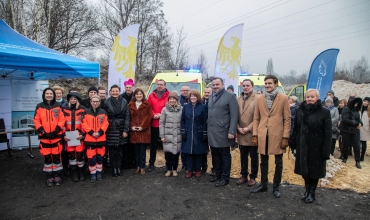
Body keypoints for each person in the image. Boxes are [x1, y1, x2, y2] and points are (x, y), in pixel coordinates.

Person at [289, 89, 332, 203]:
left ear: (317, 98)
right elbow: (296, 129)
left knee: (314, 171)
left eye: (312, 97)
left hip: (317, 147)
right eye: (307, 97)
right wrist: (292, 143)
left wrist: (326, 150)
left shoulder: (324, 112)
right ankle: (307, 190)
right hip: (302, 146)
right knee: (304, 170)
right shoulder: (300, 110)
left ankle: (312, 192)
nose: (309, 99)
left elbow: (328, 133)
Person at [251, 75, 290, 198]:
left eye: (269, 83)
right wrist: (255, 134)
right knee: (263, 161)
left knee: (278, 162)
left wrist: (285, 137)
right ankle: (263, 184)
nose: (267, 85)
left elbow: (287, 119)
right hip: (263, 134)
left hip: (277, 135)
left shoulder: (283, 98)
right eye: (265, 83)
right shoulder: (259, 99)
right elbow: (256, 117)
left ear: (275, 84)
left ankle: (276, 187)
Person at [208, 77, 239, 187]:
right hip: (212, 131)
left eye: (217, 84)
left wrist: (232, 131)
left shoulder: (229, 96)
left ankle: (225, 177)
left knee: (224, 155)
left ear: (223, 84)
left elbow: (234, 115)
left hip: (224, 131)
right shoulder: (212, 96)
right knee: (215, 154)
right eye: (214, 85)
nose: (215, 86)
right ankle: (217, 173)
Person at [34, 88, 66, 187]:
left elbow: (62, 119)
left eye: (50, 93)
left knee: (56, 156)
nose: (49, 95)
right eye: (47, 93)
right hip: (44, 137)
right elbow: (36, 120)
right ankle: (49, 175)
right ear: (44, 95)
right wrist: (42, 132)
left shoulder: (58, 106)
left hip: (56, 136)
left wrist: (56, 131)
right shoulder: (39, 106)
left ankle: (57, 175)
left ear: (53, 95)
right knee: (47, 157)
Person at [104, 84, 130, 177]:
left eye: (116, 91)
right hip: (111, 129)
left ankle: (119, 167)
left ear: (119, 92)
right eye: (113, 91)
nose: (115, 93)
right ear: (110, 92)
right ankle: (113, 168)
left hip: (121, 128)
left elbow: (127, 116)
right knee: (112, 150)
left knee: (120, 150)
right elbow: (105, 117)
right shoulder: (106, 102)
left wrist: (125, 130)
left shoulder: (124, 101)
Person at [181, 90, 208, 178]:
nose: (193, 98)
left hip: (198, 132)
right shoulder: (186, 107)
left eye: (194, 96)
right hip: (188, 132)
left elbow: (205, 121)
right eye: (191, 96)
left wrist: (204, 132)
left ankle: (197, 170)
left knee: (198, 153)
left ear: (198, 97)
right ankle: (189, 170)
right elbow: (183, 120)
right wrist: (183, 131)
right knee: (189, 153)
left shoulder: (203, 107)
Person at [82, 95, 109, 183]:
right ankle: (93, 173)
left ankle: (99, 172)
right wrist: (91, 133)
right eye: (93, 101)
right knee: (91, 158)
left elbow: (106, 124)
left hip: (101, 139)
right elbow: (84, 124)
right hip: (90, 139)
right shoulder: (86, 112)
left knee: (100, 158)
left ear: (99, 102)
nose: (95, 103)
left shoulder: (103, 112)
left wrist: (99, 133)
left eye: (97, 101)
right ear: (90, 102)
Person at [236, 79, 258, 186]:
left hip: (252, 133)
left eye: (247, 85)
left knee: (254, 157)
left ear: (252, 87)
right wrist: (237, 127)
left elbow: (259, 117)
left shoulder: (258, 99)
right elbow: (234, 115)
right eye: (244, 85)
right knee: (243, 156)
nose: (245, 87)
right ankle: (244, 175)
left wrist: (248, 128)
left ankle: (253, 177)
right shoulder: (238, 99)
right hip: (240, 132)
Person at [62, 92, 86, 182]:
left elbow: (85, 123)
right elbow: (62, 124)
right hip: (69, 137)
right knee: (72, 156)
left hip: (79, 136)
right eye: (71, 99)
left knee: (80, 155)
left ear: (77, 100)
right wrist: (64, 135)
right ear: (68, 100)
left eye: (74, 99)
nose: (73, 100)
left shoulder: (82, 109)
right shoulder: (64, 110)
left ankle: (81, 172)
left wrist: (82, 135)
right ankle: (74, 172)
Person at [147, 79, 170, 172]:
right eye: (158, 84)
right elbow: (148, 107)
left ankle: (167, 164)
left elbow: (170, 107)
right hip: (154, 124)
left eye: (161, 84)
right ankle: (151, 163)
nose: (159, 86)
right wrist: (153, 114)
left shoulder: (169, 95)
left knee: (166, 145)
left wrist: (161, 115)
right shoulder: (151, 95)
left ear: (165, 85)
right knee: (153, 146)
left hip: (165, 125)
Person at [128, 88, 152, 176]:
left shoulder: (147, 104)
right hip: (134, 131)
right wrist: (132, 126)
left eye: (140, 94)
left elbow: (149, 116)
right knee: (136, 150)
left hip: (144, 131)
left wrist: (142, 126)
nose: (139, 96)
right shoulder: (130, 105)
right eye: (137, 94)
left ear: (143, 95)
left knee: (142, 150)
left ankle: (142, 166)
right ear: (134, 95)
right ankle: (137, 166)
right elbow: (129, 117)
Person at [160, 92, 183, 177]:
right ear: (168, 100)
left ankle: (175, 169)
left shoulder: (181, 109)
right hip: (167, 136)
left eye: (174, 99)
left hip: (177, 135)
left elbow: (183, 122)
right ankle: (169, 169)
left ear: (176, 100)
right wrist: (162, 136)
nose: (172, 100)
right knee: (168, 154)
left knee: (176, 154)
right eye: (170, 99)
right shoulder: (164, 110)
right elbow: (161, 123)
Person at [338, 97, 363, 169]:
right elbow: (345, 120)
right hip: (346, 130)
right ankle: (344, 158)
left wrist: (361, 123)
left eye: (357, 104)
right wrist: (356, 123)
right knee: (345, 145)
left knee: (357, 146)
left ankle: (357, 161)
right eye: (355, 103)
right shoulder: (346, 109)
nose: (356, 105)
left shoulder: (356, 110)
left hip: (355, 131)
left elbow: (359, 119)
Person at [52, 85, 69, 175]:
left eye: (59, 93)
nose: (58, 94)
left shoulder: (66, 104)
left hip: (65, 129)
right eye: (56, 93)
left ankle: (65, 167)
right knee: (56, 150)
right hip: (55, 130)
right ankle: (57, 167)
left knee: (65, 150)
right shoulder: (51, 104)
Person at [120, 79, 136, 170]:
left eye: (130, 87)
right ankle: (125, 163)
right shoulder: (122, 97)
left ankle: (133, 162)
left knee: (133, 144)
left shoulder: (136, 96)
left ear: (132, 88)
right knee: (125, 145)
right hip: (124, 122)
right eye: (127, 87)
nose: (128, 89)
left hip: (134, 122)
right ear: (125, 88)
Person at [178, 85, 190, 172]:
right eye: (183, 90)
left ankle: (190, 165)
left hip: (191, 127)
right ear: (180, 91)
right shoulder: (178, 99)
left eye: (187, 90)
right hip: (180, 126)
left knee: (189, 147)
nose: (185, 92)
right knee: (183, 148)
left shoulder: (192, 98)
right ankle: (184, 165)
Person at [201, 86, 212, 174]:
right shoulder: (200, 101)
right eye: (205, 92)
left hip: (212, 129)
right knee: (203, 149)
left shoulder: (214, 101)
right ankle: (204, 167)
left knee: (214, 150)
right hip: (202, 129)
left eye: (208, 92)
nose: (206, 94)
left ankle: (215, 168)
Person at [359, 97, 370, 161]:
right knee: (358, 141)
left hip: (366, 128)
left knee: (363, 142)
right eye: (364, 101)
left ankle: (362, 155)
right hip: (359, 127)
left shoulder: (369, 111)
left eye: (367, 102)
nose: (365, 103)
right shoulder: (360, 109)